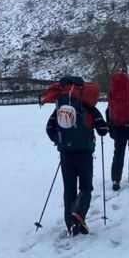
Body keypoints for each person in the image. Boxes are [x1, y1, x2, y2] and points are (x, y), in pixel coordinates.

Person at [45, 76, 109, 236]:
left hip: (65, 154)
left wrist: (59, 141)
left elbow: (49, 128)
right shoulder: (88, 106)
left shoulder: (59, 107)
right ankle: (78, 214)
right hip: (84, 153)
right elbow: (103, 129)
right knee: (86, 187)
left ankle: (70, 225)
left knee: (69, 189)